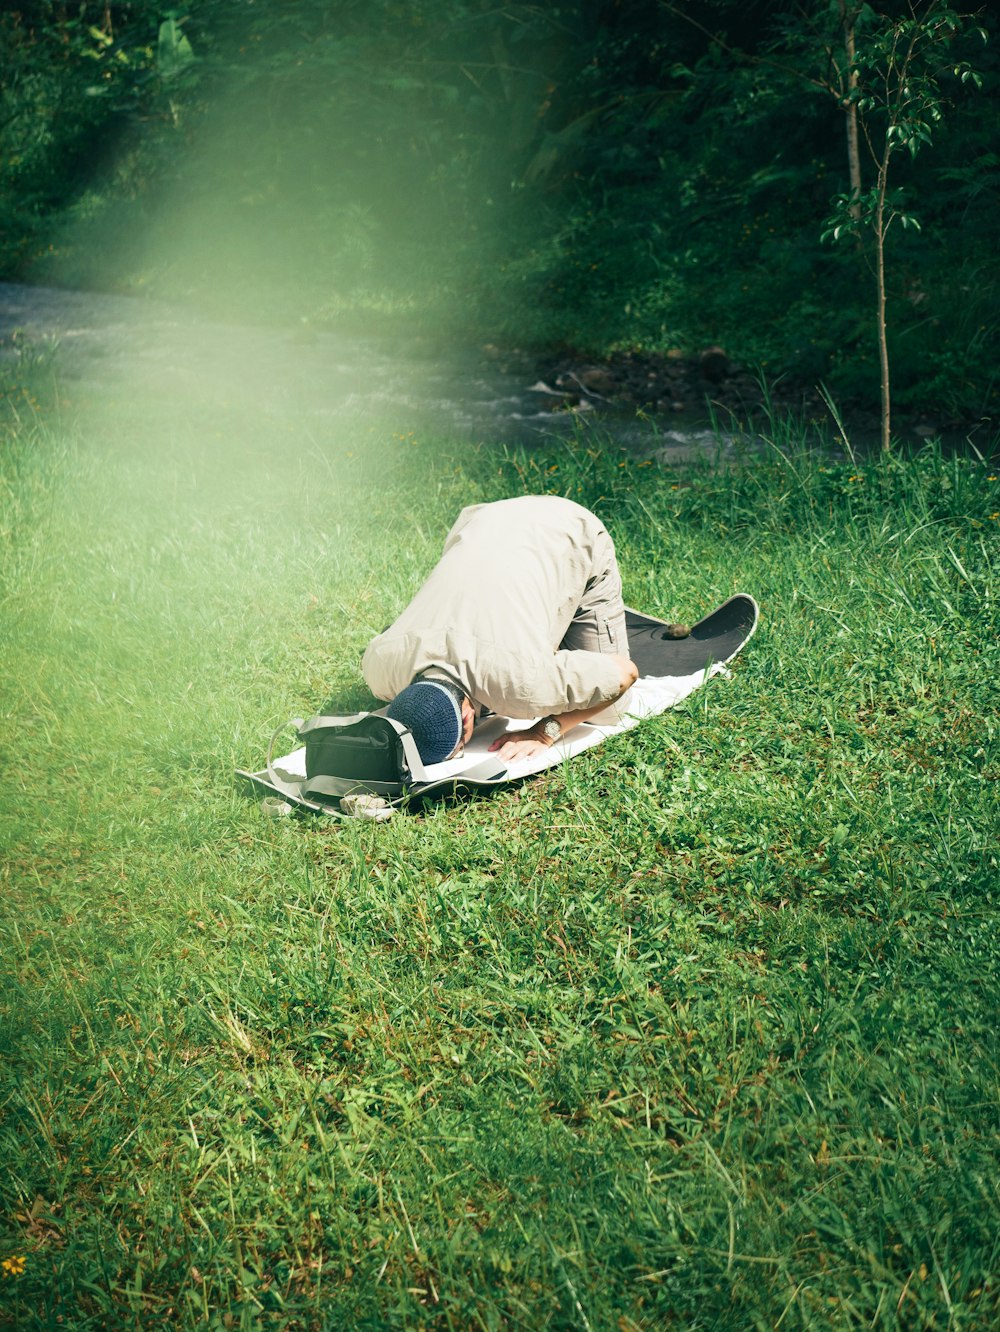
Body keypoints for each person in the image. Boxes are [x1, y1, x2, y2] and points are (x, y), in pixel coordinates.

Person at [361, 495, 638, 765]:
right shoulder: (380, 666)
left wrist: (544, 732)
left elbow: (625, 674)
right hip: (483, 520)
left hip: (570, 530)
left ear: (469, 719)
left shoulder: (523, 683)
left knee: (608, 712)